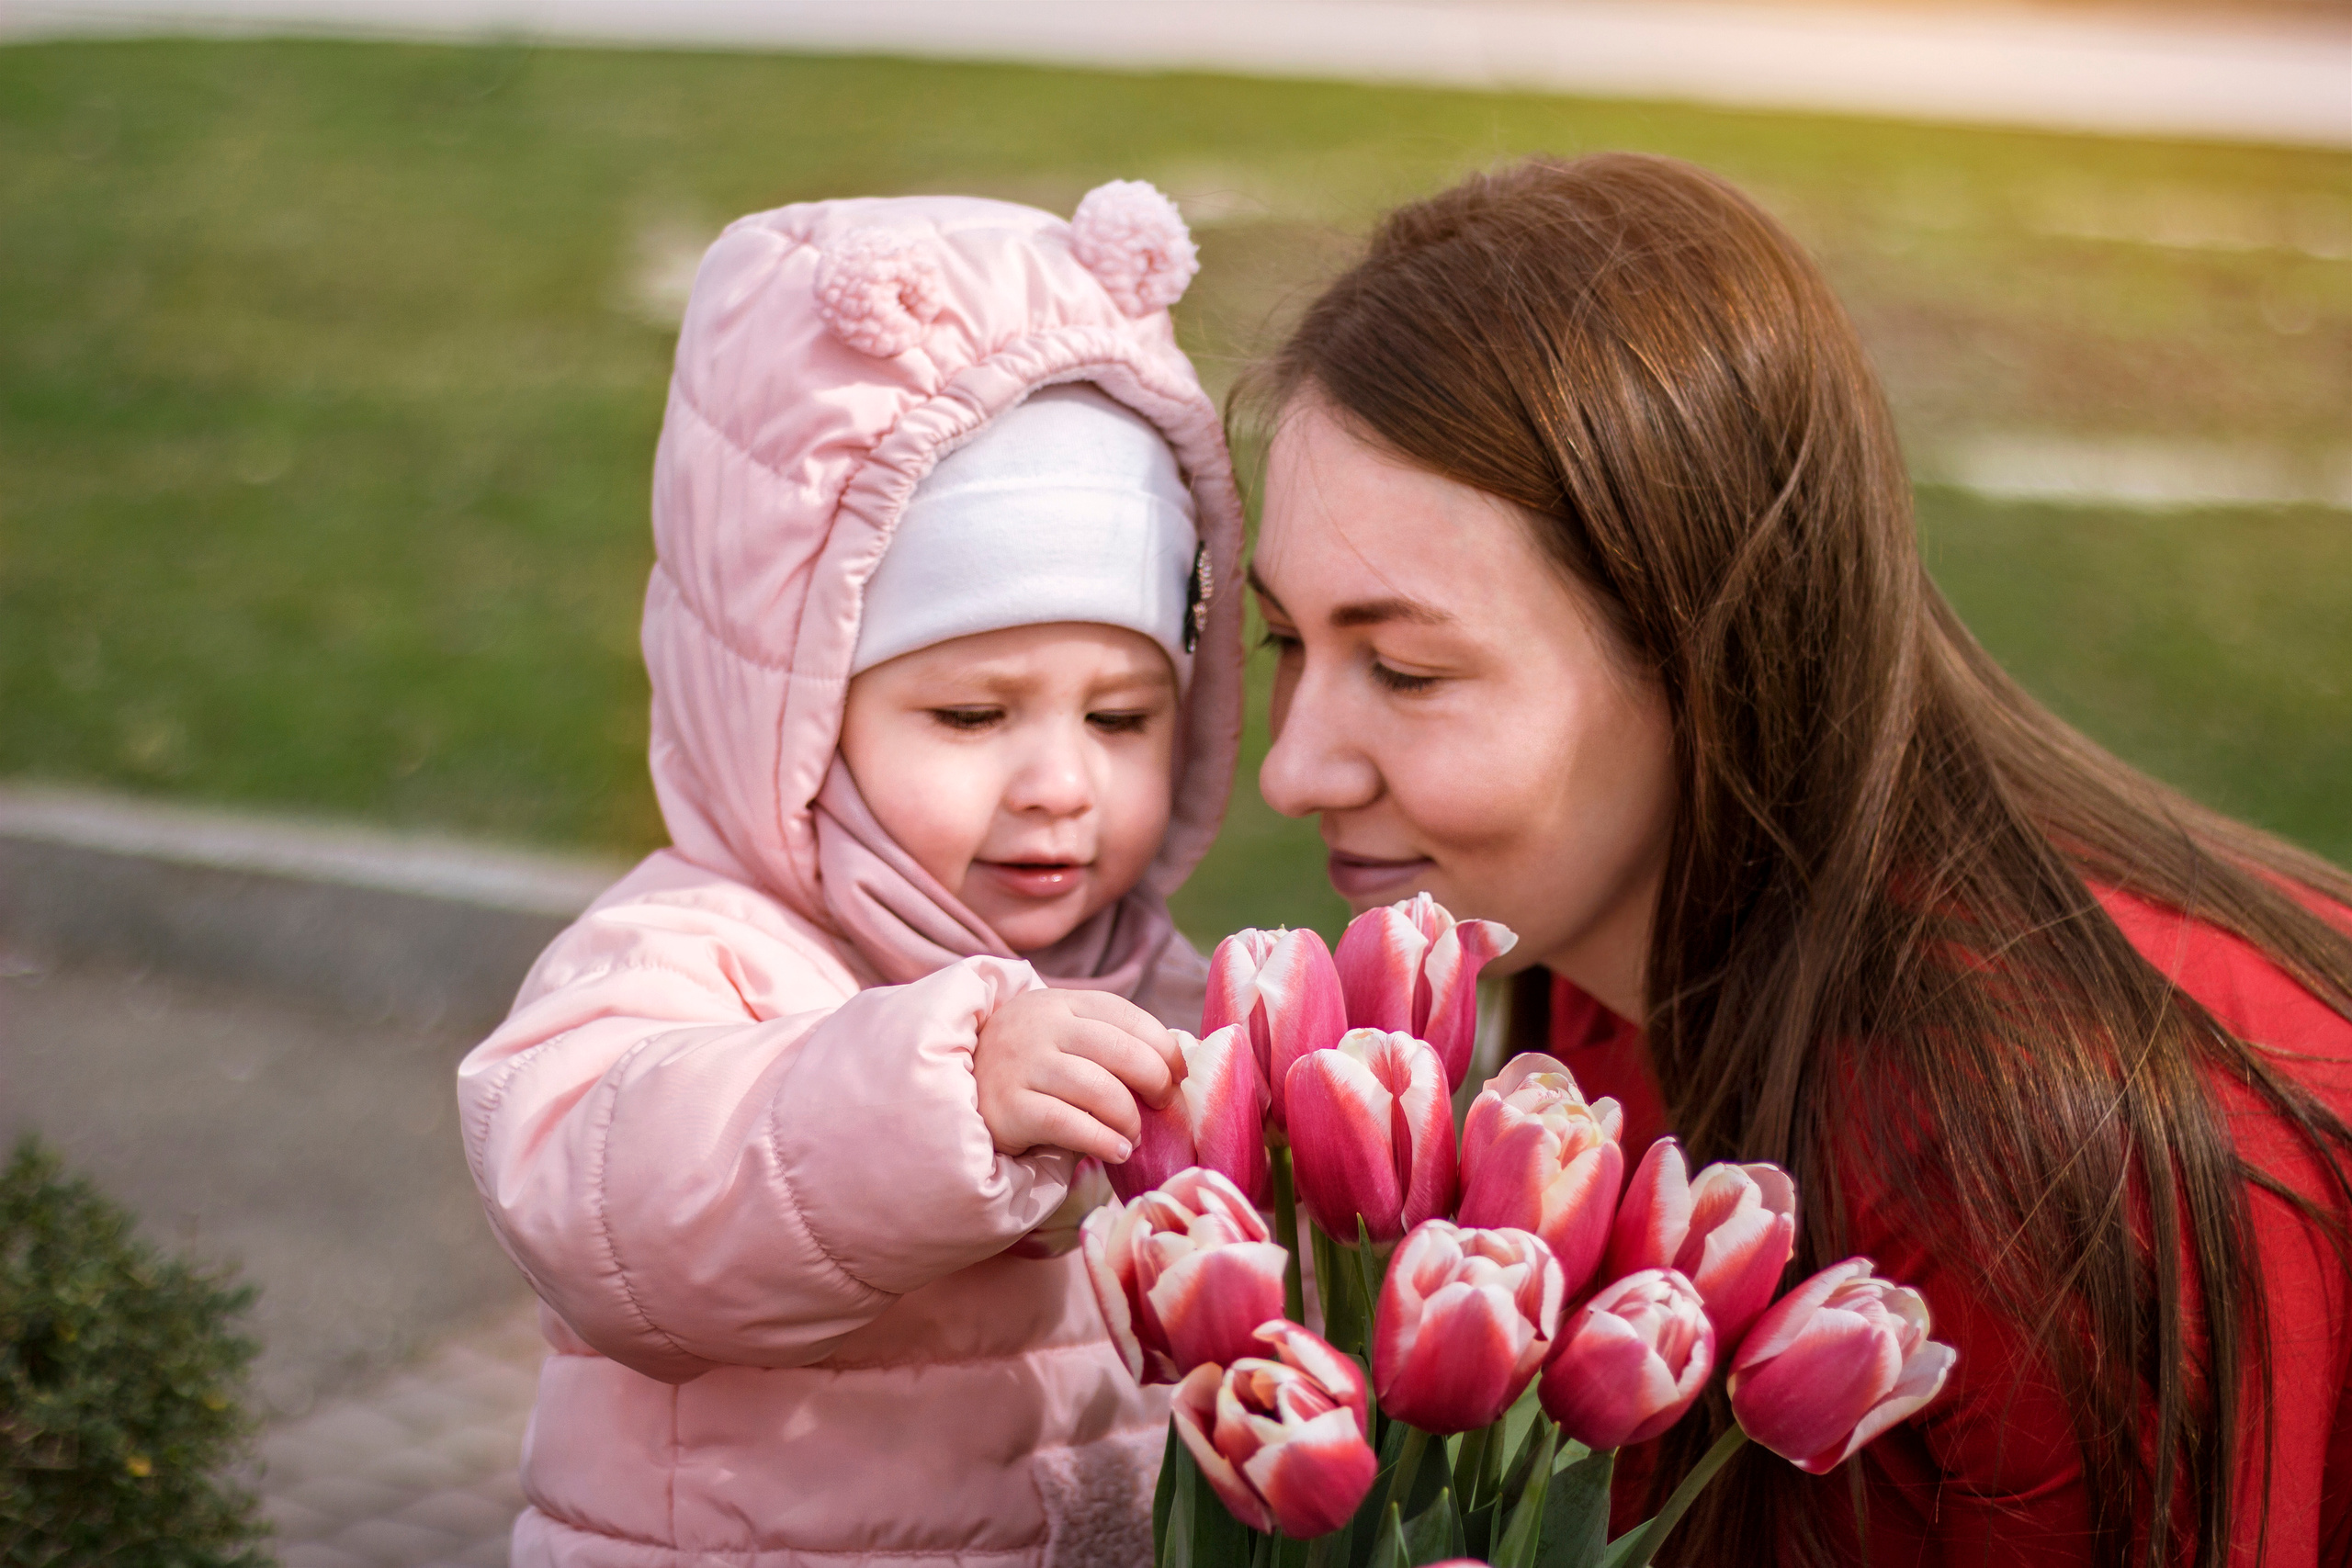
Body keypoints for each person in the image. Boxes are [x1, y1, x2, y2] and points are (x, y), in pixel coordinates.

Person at [1243, 152, 2352, 1564]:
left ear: (1704, 660)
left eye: (1403, 669)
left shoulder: (2034, 1171)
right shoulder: (1600, 980)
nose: (1290, 769)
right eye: (1291, 639)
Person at [457, 184, 1246, 1567]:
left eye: (1121, 718)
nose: (1060, 780)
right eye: (971, 714)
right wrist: (938, 1088)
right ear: (806, 707)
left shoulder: (1152, 980)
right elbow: (601, 1200)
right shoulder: (705, 953)